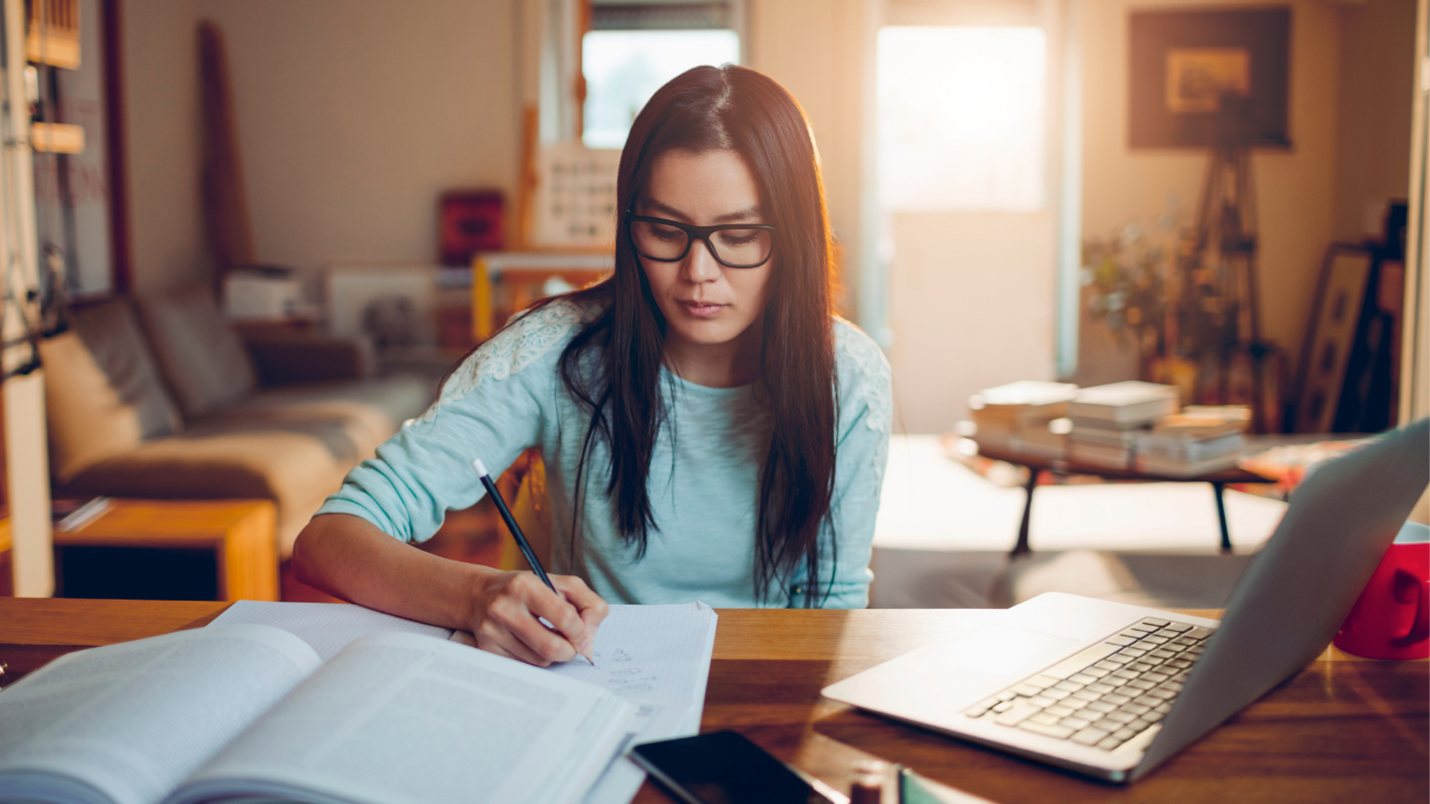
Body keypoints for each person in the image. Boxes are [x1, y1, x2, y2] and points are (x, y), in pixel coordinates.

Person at [291, 64, 891, 667]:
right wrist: (475, 596)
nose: (698, 273)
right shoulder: (554, 352)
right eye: (664, 229)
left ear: (794, 236)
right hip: (590, 685)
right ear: (629, 224)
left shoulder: (850, 375)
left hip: (765, 687)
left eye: (737, 236)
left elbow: (832, 609)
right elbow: (329, 540)